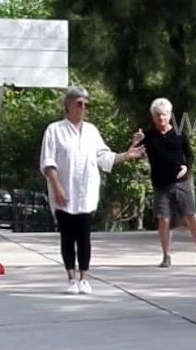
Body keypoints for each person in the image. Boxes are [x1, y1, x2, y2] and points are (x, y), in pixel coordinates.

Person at [39, 86, 144, 294]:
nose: (83, 108)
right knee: (67, 237)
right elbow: (48, 162)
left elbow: (103, 157)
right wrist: (58, 188)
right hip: (63, 192)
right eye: (79, 104)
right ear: (67, 106)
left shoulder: (91, 131)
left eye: (87, 105)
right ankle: (71, 278)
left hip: (85, 192)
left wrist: (127, 154)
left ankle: (84, 277)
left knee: (84, 236)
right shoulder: (54, 130)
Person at [133, 98, 196, 269]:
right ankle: (166, 255)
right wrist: (135, 142)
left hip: (182, 183)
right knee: (163, 219)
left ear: (169, 115)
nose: (161, 119)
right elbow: (133, 155)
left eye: (164, 115)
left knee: (191, 216)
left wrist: (186, 167)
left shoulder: (179, 134)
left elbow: (190, 156)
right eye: (157, 115)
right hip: (161, 184)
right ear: (153, 117)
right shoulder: (148, 137)